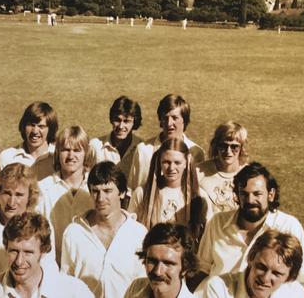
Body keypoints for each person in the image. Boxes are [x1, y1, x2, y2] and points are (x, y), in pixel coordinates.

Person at [194, 162, 304, 298]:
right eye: (244, 194)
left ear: (271, 194)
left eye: (257, 194)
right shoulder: (217, 222)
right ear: (237, 196)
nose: (250, 200)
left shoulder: (288, 225)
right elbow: (201, 270)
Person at [61, 161, 147, 297]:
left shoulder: (139, 233)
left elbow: (145, 285)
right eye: (95, 191)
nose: (100, 198)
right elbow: (65, 284)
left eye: (107, 191)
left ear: (123, 193)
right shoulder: (73, 233)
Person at [0, 212, 94, 298]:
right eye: (13, 251)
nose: (19, 261)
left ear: (43, 251)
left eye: (28, 252)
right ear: (6, 248)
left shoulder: (73, 292)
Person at [129, 138, 205, 243]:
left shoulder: (199, 196)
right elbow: (130, 232)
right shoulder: (142, 193)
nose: (171, 168)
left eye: (177, 162)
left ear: (186, 163)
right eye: (166, 162)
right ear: (159, 162)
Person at [38, 125, 95, 262]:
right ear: (58, 153)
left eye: (77, 150)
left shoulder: (96, 187)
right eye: (66, 150)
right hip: (54, 267)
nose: (71, 156)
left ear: (86, 153)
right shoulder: (43, 189)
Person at [127, 94, 205, 190]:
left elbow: (197, 191)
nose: (169, 123)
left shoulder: (195, 153)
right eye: (165, 118)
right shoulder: (143, 150)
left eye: (175, 118)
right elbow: (131, 190)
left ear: (184, 120)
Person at [196, 230, 303, 298]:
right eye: (261, 267)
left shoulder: (294, 293)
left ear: (289, 278)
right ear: (251, 259)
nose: (265, 278)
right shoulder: (219, 287)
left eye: (276, 273)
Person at [124, 223, 199, 298]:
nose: (157, 272)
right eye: (152, 261)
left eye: (168, 263)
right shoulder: (136, 288)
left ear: (185, 268)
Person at [197, 121, 248, 222]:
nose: (228, 151)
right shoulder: (198, 172)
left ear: (242, 148)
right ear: (216, 146)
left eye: (234, 147)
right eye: (223, 146)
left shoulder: (249, 175)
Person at [0, 101, 58, 180]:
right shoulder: (7, 157)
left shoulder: (58, 157)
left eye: (41, 126)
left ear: (50, 130)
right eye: (31, 125)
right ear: (23, 126)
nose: (35, 131)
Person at [89, 96, 143, 178]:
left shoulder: (142, 147)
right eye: (117, 120)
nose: (121, 126)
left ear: (134, 123)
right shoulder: (95, 146)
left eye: (126, 121)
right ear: (111, 120)